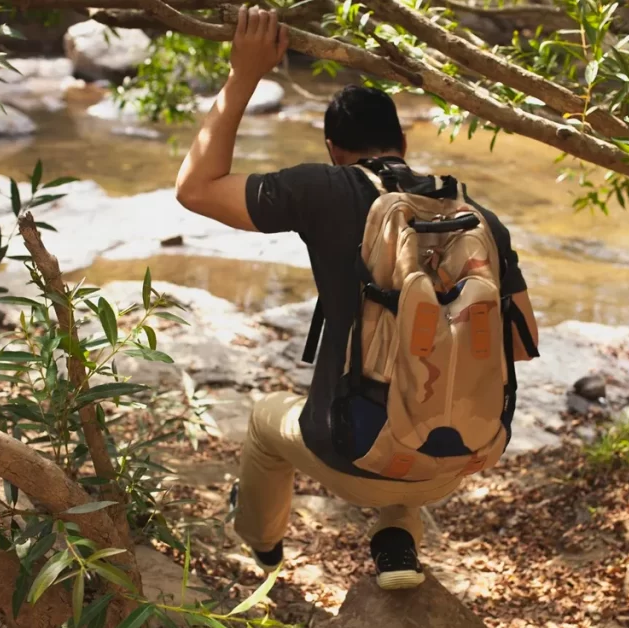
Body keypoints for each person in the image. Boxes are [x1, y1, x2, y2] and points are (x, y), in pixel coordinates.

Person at [175, 6, 539, 589]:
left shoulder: (325, 189)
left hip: (353, 452)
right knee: (423, 391)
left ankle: (265, 548)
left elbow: (194, 188)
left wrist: (244, 73)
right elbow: (518, 348)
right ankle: (396, 537)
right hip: (463, 458)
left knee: (268, 421)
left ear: (332, 148)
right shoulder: (478, 219)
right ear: (402, 140)